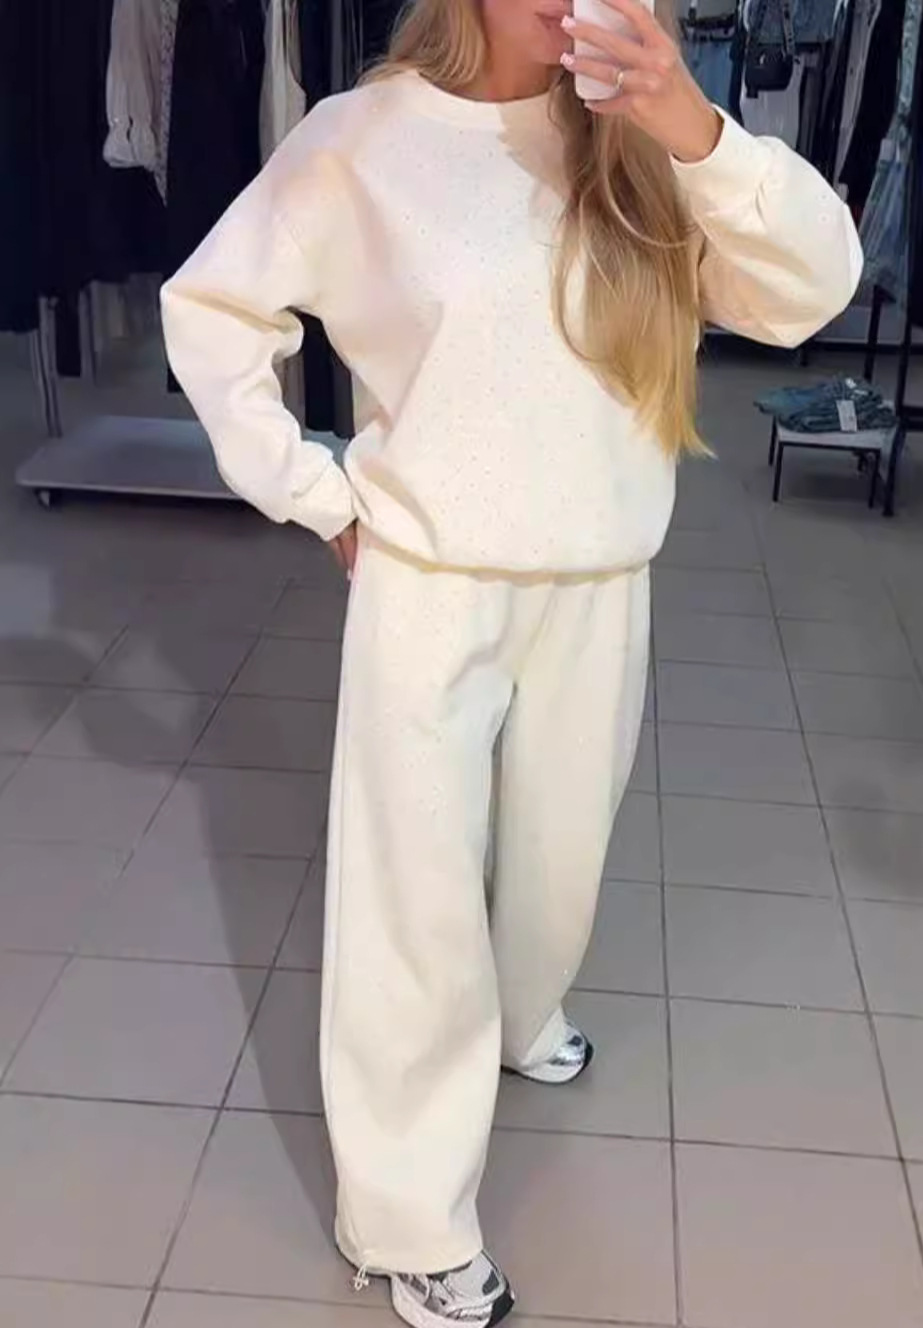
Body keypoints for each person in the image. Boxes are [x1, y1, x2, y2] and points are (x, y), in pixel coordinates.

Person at [161, 0, 862, 1323]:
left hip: (601, 577)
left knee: (559, 861)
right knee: (414, 905)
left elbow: (812, 291)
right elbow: (210, 307)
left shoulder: (645, 134)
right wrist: (312, 489)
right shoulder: (361, 140)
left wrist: (692, 126)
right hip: (431, 581)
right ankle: (408, 1220)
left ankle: (524, 1015)